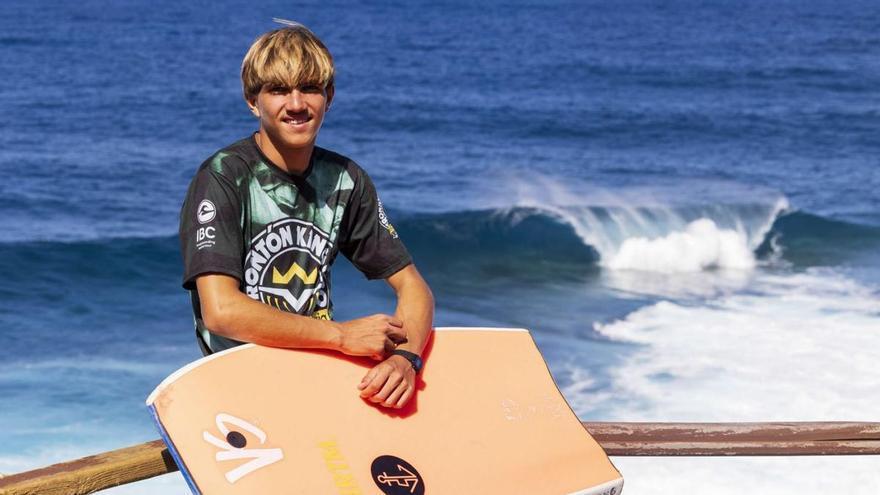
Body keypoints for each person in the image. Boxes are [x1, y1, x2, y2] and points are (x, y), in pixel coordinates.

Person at [178, 22, 434, 410]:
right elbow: (222, 312)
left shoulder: (345, 180)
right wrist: (340, 336)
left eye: (310, 88)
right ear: (253, 101)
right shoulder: (224, 176)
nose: (296, 104)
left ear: (329, 97)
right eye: (278, 90)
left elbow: (413, 286)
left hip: (317, 379)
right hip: (240, 386)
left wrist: (406, 359)